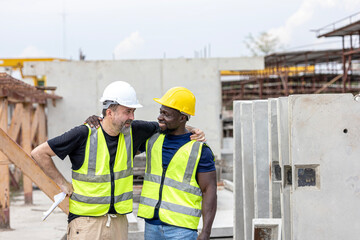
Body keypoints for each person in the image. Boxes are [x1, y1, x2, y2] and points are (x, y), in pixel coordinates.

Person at [31, 81, 204, 240]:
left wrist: (194, 130)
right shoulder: (84, 134)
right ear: (109, 112)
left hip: (118, 222)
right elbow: (39, 153)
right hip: (86, 223)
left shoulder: (133, 131)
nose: (132, 117)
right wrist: (61, 183)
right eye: (128, 111)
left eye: (133, 111)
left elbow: (170, 125)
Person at [137, 87, 217, 240]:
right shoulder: (152, 139)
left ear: (182, 118)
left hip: (182, 230)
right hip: (151, 225)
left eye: (166, 114)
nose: (160, 117)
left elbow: (209, 190)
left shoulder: (199, 150)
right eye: (160, 111)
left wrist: (206, 232)